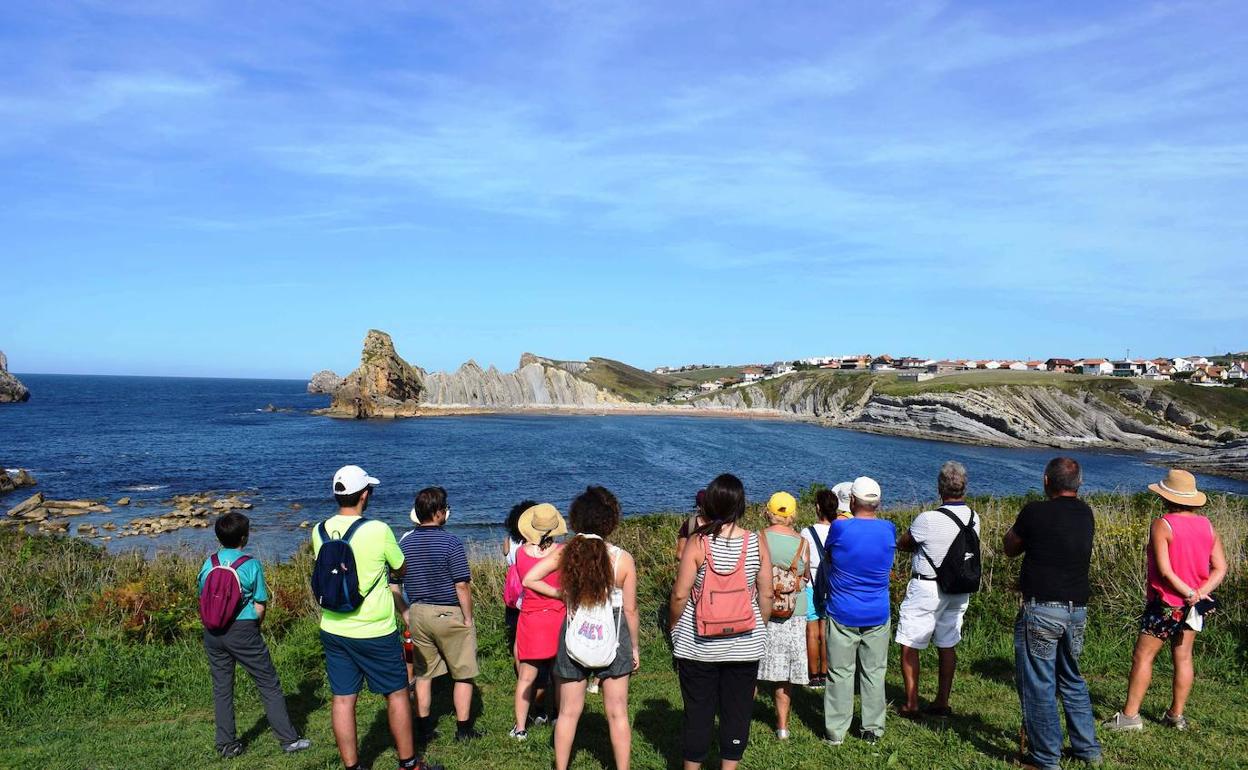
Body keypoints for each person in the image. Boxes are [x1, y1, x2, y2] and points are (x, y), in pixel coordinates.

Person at [314, 466, 432, 770]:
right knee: (395, 695)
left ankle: (352, 766)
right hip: (375, 629)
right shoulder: (378, 529)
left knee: (343, 698)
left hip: (333, 625)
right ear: (365, 495)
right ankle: (408, 763)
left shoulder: (319, 530)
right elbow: (400, 567)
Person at [525, 486, 640, 770]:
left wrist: (561, 595)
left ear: (576, 519)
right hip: (614, 633)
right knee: (617, 714)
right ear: (610, 520)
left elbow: (530, 579)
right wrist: (634, 647)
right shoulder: (622, 558)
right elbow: (630, 609)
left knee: (567, 713)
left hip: (575, 631)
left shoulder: (568, 553)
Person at [1104, 469, 1227, 733]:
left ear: (1166, 497)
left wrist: (1187, 593)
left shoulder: (1163, 524)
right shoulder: (1207, 525)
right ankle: (1176, 715)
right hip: (1195, 606)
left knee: (1143, 656)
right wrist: (1199, 593)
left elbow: (1165, 571)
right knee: (1183, 657)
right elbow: (1221, 568)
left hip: (1166, 604)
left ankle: (1130, 716)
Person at [669, 474, 774, 770]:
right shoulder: (757, 542)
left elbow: (679, 595)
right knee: (737, 713)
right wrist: (759, 626)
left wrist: (674, 626)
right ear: (741, 505)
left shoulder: (697, 543)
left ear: (711, 504)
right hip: (745, 644)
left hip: (698, 646)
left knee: (697, 712)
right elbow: (766, 594)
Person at [1003, 457, 1101, 769]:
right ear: (1078, 484)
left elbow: (1010, 546)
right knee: (1071, 678)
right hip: (1077, 609)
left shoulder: (1035, 511)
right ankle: (1087, 749)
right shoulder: (1086, 513)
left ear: (1047, 480)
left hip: (1042, 608)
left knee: (1039, 683)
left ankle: (1045, 757)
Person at [199, 512, 311, 759]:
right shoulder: (250, 564)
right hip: (242, 630)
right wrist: (254, 627)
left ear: (219, 536)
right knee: (268, 682)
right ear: (244, 537)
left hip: (213, 631)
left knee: (222, 687)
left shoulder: (209, 562)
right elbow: (260, 603)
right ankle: (288, 739)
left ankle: (226, 744)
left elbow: (203, 595)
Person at [397, 486, 482, 744]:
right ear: (437, 513)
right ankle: (464, 729)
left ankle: (424, 729)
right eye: (445, 508)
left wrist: (406, 613)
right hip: (448, 611)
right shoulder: (451, 542)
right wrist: (468, 618)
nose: (446, 511)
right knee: (463, 672)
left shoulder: (405, 543)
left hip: (419, 612)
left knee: (424, 673)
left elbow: (393, 585)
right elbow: (462, 585)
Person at [894, 460, 979, 719]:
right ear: (964, 487)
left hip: (927, 586)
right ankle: (942, 701)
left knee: (910, 643)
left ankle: (911, 702)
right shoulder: (975, 518)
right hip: (958, 586)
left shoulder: (928, 519)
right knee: (947, 643)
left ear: (940, 488)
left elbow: (904, 543)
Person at [823, 476, 896, 746]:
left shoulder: (840, 529)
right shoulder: (889, 529)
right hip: (877, 611)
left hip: (843, 609)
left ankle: (836, 732)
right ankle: (872, 730)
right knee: (874, 672)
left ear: (852, 501)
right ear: (878, 503)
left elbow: (829, 556)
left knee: (840, 673)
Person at [510, 502, 568, 740]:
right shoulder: (563, 551)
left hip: (530, 618)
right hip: (557, 615)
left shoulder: (520, 552)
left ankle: (521, 728)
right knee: (558, 675)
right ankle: (557, 716)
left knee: (526, 676)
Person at [758, 491, 810, 739]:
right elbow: (805, 577)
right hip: (793, 612)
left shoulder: (758, 538)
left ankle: (741, 719)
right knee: (785, 675)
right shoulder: (802, 542)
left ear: (768, 511)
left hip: (761, 609)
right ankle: (782, 727)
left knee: (752, 670)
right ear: (793, 515)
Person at [800, 488, 838, 688]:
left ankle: (813, 675)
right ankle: (826, 672)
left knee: (812, 631)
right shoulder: (839, 530)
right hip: (832, 583)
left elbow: (803, 559)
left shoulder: (807, 532)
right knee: (826, 630)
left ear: (817, 508)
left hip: (812, 583)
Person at [502, 499, 537, 658]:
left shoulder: (509, 539)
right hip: (529, 592)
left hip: (513, 590)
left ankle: (520, 668)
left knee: (517, 634)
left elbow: (505, 555)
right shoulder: (533, 543)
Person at [675, 488, 707, 561]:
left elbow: (680, 555)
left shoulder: (689, 523)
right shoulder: (720, 524)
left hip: (694, 569)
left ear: (698, 506)